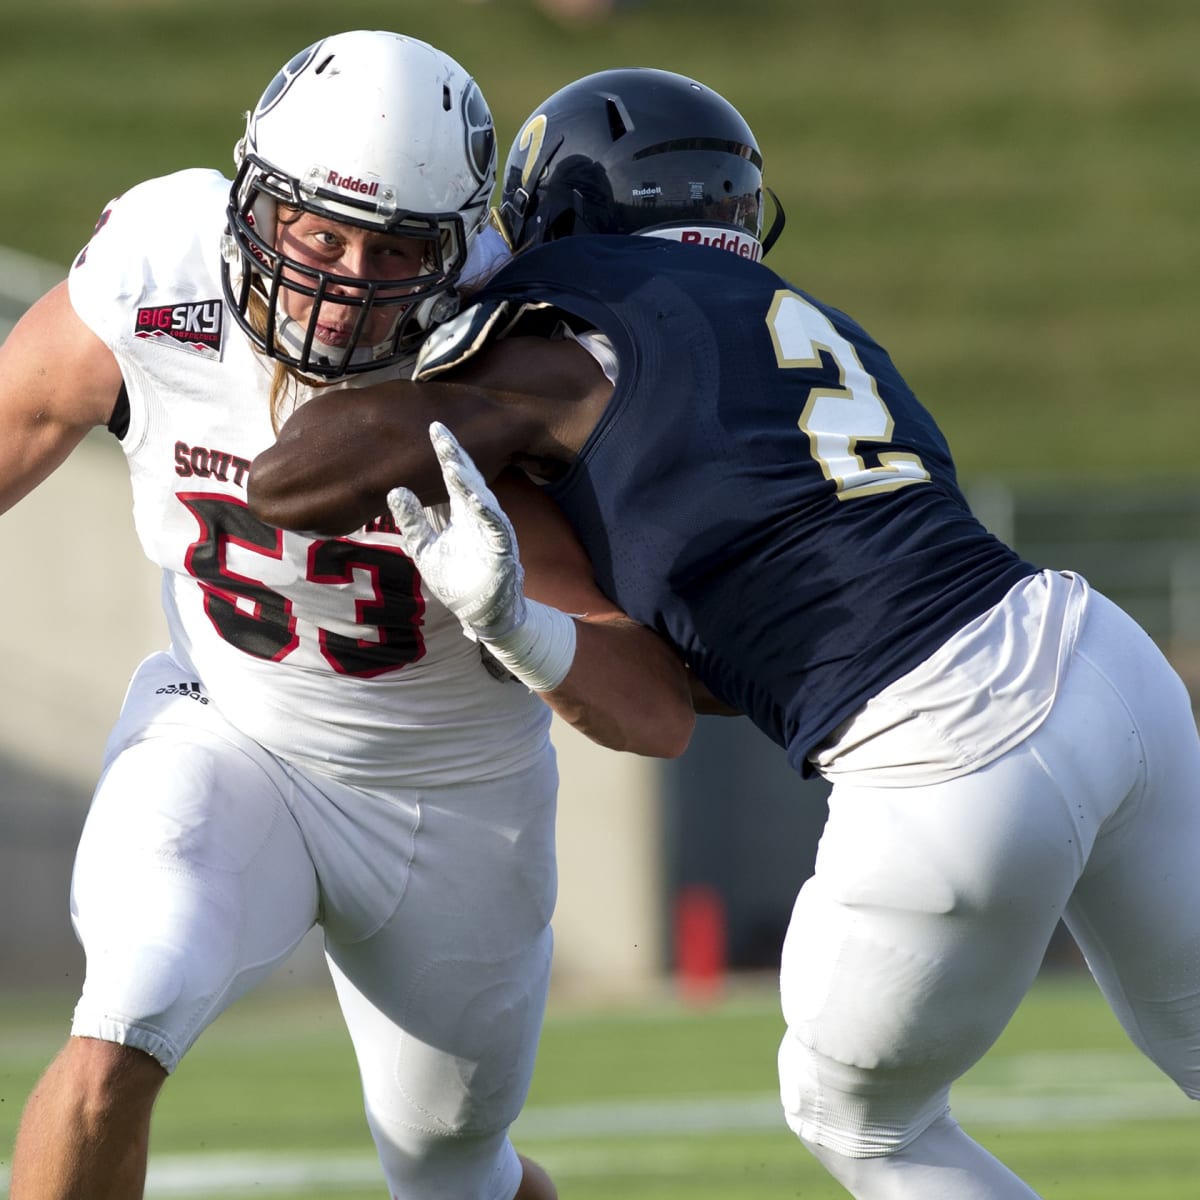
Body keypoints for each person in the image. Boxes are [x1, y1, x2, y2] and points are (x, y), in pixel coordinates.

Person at [249, 67, 1200, 1199]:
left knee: (860, 1122)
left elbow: (289, 481)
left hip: (949, 749)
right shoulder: (812, 331)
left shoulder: (571, 353)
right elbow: (726, 655)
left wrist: (438, 396)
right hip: (1104, 664)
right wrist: (533, 623)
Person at [0, 38, 695, 1200]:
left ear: (461, 246)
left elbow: (658, 711)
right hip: (230, 734)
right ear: (251, 196)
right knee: (123, 1018)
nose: (347, 281)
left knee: (453, 1170)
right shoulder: (162, 262)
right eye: (321, 233)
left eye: (396, 249)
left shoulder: (518, 345)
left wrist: (519, 619)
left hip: (456, 803)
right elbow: (18, 416)